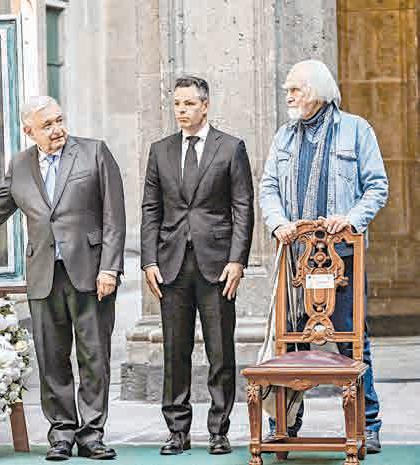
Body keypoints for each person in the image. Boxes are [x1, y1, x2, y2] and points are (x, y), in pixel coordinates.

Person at [0, 96, 126, 461]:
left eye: (59, 120)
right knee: (51, 359)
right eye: (47, 125)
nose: (57, 129)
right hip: (44, 276)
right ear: (29, 131)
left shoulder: (94, 153)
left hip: (91, 274)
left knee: (94, 357)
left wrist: (109, 268)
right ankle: (61, 434)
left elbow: (114, 217)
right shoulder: (20, 166)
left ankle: (92, 435)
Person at [259, 59, 388, 453]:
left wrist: (349, 219)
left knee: (353, 341)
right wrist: (279, 223)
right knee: (289, 343)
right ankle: (285, 425)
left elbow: (376, 187)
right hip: (296, 260)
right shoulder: (284, 137)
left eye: (294, 90)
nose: (288, 96)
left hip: (342, 258)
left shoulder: (356, 130)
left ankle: (367, 424)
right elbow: (268, 187)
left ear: (315, 91)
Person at [141, 76, 254, 455]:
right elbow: (150, 209)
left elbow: (243, 207)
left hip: (217, 265)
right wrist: (149, 260)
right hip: (171, 265)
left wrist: (237, 260)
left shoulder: (231, 147)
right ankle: (177, 431)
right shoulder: (160, 151)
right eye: (177, 104)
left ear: (205, 106)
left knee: (220, 350)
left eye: (189, 104)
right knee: (175, 351)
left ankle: (219, 430)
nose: (181, 111)